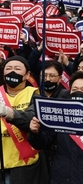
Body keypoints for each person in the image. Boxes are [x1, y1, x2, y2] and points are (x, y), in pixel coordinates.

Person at [0, 56, 49, 184]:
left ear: (27, 75)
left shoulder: (35, 94)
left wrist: (9, 113)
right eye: (8, 68)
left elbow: (30, 119)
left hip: (24, 162)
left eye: (17, 68)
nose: (12, 72)